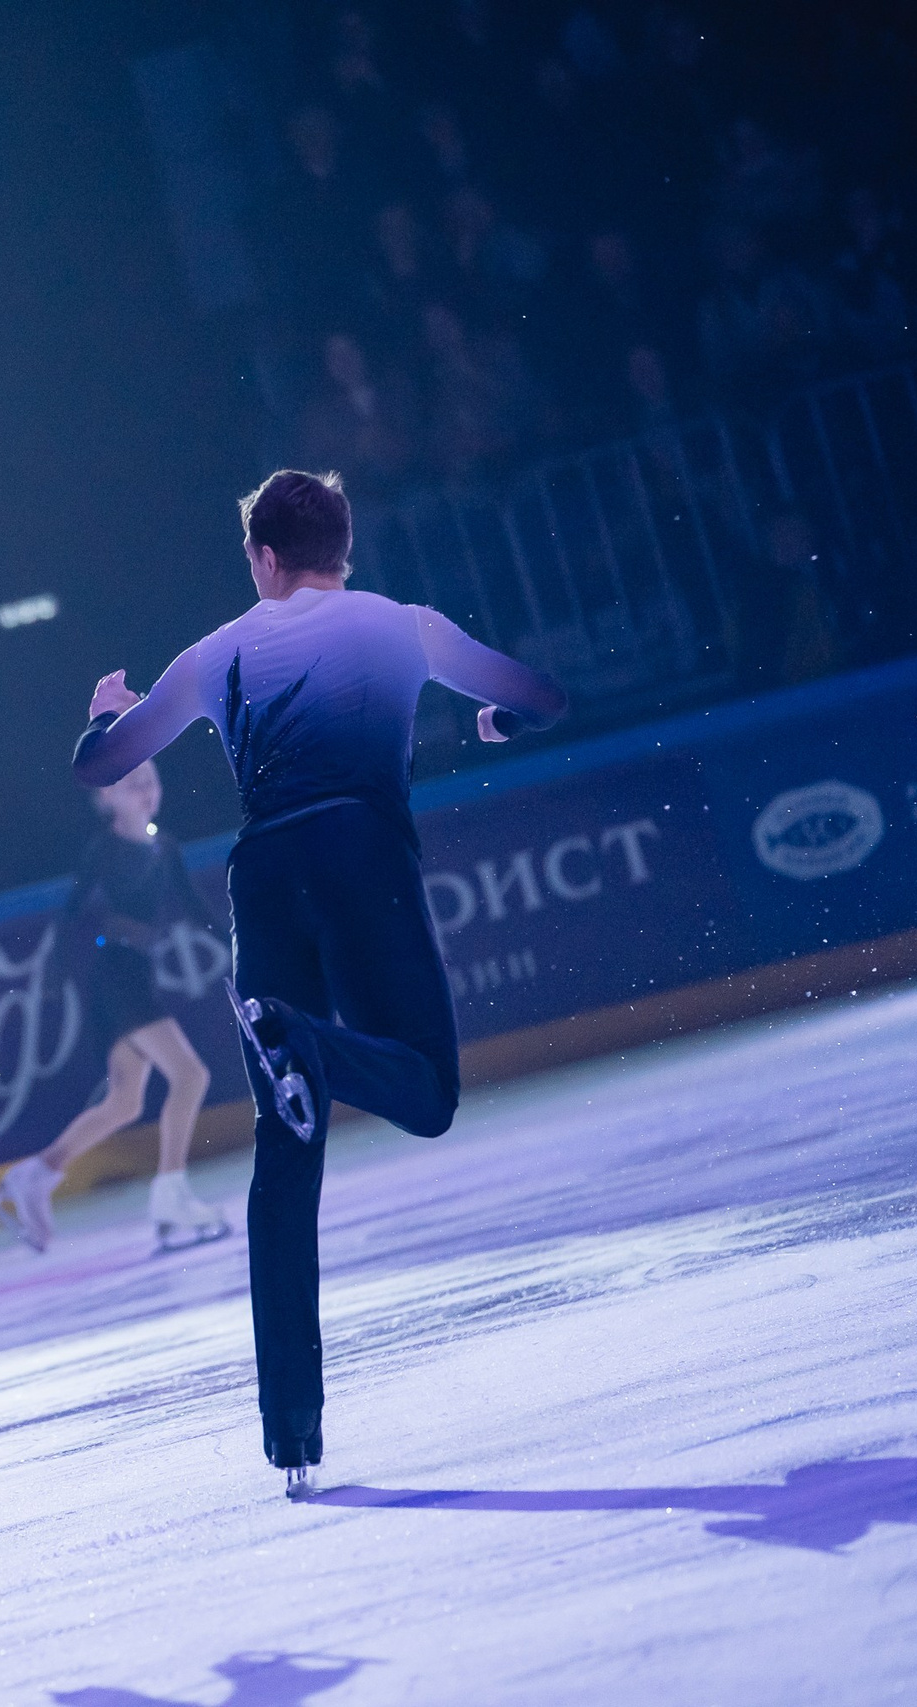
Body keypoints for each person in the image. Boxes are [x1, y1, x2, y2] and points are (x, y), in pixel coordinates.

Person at [73, 470, 566, 1498]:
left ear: (262, 557)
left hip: (267, 874)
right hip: (362, 853)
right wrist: (488, 729)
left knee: (282, 1159)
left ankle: (291, 1434)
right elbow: (542, 697)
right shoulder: (402, 625)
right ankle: (307, 1039)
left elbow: (100, 767)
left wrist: (100, 715)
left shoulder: (213, 655)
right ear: (344, 547)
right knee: (425, 1095)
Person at [0, 760, 228, 1256]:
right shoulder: (106, 850)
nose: (147, 791)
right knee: (190, 1076)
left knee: (126, 1102)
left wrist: (238, 941)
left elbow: (196, 909)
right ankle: (170, 1194)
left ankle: (36, 1174)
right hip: (115, 977)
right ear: (107, 799)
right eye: (133, 784)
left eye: (152, 781)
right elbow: (71, 912)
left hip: (132, 974)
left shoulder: (165, 847)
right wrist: (53, 977)